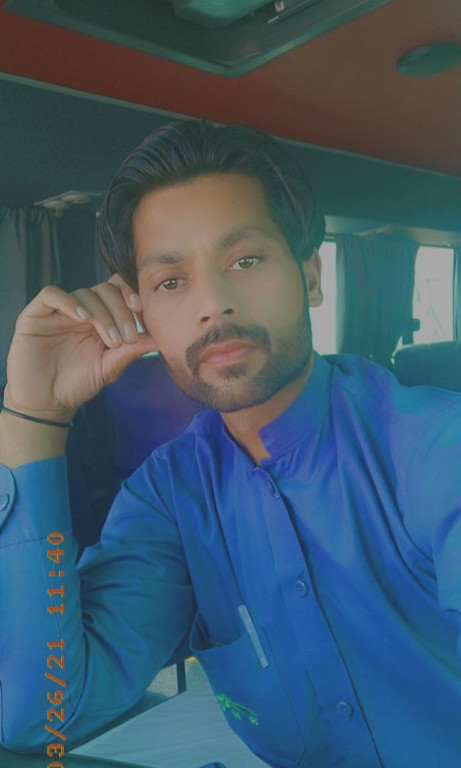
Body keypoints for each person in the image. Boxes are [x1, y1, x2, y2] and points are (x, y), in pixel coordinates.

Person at [0, 120, 460, 768]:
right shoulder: (169, 496)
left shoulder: (432, 446)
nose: (212, 304)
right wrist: (34, 414)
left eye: (244, 260)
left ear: (311, 276)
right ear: (140, 315)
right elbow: (44, 715)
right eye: (170, 282)